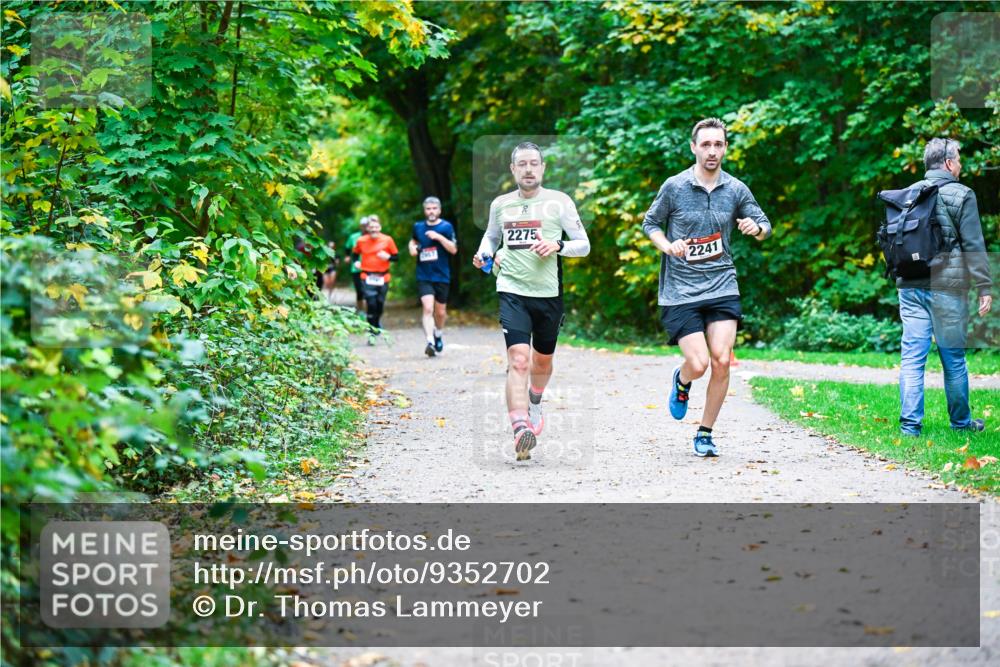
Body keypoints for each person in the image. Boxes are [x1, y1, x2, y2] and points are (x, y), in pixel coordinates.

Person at [641, 117, 772, 457]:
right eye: (706, 144)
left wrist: (754, 228)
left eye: (718, 145)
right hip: (680, 290)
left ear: (725, 148)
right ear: (693, 147)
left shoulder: (736, 188)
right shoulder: (675, 186)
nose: (712, 151)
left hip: (722, 284)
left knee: (722, 360)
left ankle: (705, 432)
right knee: (698, 364)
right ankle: (682, 380)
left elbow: (765, 225)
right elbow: (651, 222)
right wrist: (667, 245)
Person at [473, 142, 590, 461]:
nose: (528, 169)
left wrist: (556, 245)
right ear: (512, 169)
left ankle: (534, 401)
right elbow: (492, 237)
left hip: (548, 294)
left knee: (542, 362)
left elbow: (584, 245)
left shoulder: (559, 202)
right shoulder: (501, 204)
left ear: (542, 168)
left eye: (533, 163)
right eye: (521, 164)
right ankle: (520, 426)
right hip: (511, 289)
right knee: (519, 360)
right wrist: (484, 253)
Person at [896, 137, 993, 436]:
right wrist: (985, 286)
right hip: (948, 286)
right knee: (953, 357)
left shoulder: (908, 193)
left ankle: (910, 426)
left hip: (910, 284)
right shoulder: (962, 194)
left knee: (912, 357)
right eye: (959, 159)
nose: (961, 165)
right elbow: (973, 245)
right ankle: (961, 424)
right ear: (949, 163)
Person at [409, 196, 457, 357]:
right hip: (424, 274)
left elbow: (453, 249)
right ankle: (430, 341)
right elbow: (413, 242)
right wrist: (412, 248)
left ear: (439, 210)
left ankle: (438, 334)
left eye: (434, 208)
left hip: (442, 275)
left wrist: (439, 237)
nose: (431, 211)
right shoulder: (418, 227)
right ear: (424, 210)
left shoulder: (446, 227)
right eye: (428, 209)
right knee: (428, 308)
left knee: (440, 312)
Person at [352, 216, 399, 343]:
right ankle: (371, 331)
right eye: (371, 227)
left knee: (379, 303)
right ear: (367, 228)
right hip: (367, 276)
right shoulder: (361, 240)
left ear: (380, 227)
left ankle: (376, 322)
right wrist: (356, 262)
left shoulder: (387, 240)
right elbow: (355, 254)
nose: (373, 230)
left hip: (383, 277)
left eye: (376, 227)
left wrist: (388, 257)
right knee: (371, 303)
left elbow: (396, 257)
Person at [346, 217, 369, 313]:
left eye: (366, 225)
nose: (365, 227)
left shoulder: (372, 238)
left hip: (370, 268)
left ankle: (370, 311)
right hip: (356, 268)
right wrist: (347, 256)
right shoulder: (353, 237)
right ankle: (360, 311)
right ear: (360, 226)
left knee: (368, 291)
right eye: (363, 226)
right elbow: (347, 247)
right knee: (359, 290)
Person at [318, 240, 339, 305]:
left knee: (331, 283)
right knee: (326, 283)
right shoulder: (325, 254)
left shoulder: (336, 254)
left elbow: (337, 264)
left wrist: (335, 260)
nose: (331, 247)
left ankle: (330, 296)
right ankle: (325, 296)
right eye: (330, 246)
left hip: (333, 269)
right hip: (325, 270)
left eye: (332, 246)